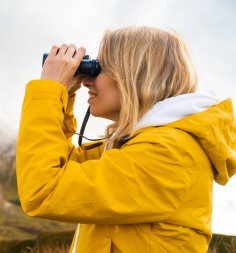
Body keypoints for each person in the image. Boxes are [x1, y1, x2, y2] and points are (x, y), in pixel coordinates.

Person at [16, 26, 236, 252]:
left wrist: (48, 91)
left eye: (100, 68)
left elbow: (43, 189)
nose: (87, 81)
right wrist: (64, 95)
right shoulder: (137, 146)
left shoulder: (168, 154)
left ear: (136, 75)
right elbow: (63, 164)